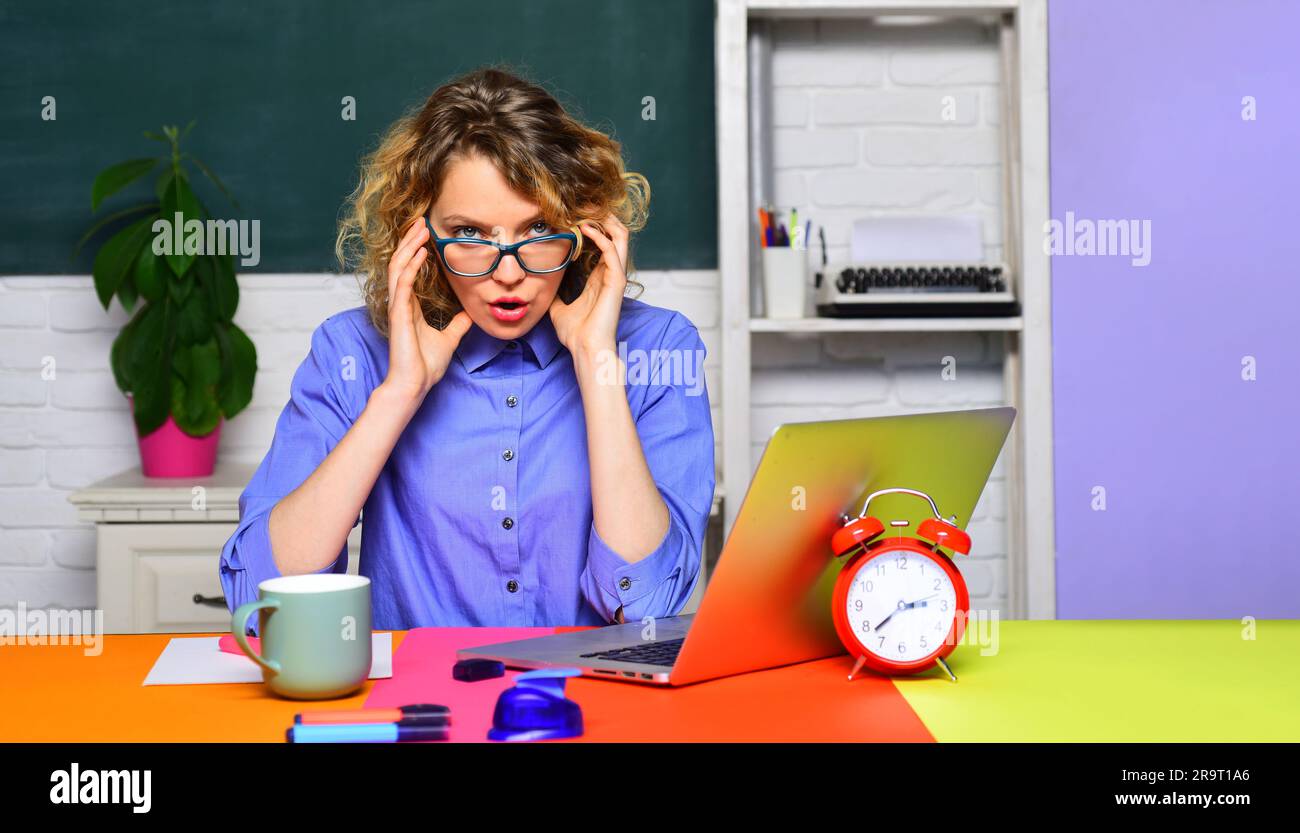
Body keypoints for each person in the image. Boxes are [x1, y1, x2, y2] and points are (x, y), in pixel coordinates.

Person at [219, 66, 714, 634]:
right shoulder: (351, 352)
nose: (509, 274)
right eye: (472, 234)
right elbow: (265, 606)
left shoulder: (658, 351)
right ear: (418, 232)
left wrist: (597, 363)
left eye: (537, 230)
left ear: (585, 229)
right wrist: (399, 393)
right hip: (416, 712)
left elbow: (647, 609)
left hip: (592, 706)